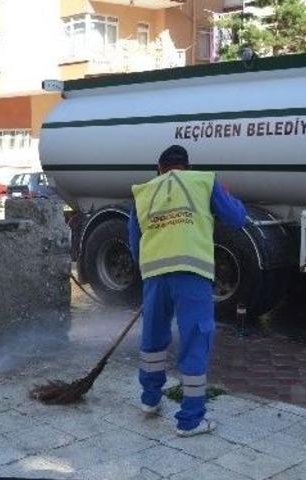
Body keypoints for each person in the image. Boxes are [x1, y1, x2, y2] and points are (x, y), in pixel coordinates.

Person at [128, 145, 246, 437]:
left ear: (159, 167)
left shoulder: (142, 192)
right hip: (192, 273)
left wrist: (152, 275)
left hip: (155, 275)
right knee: (195, 338)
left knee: (153, 337)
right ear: (187, 167)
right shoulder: (204, 181)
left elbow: (134, 242)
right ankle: (190, 420)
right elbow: (237, 218)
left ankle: (149, 400)